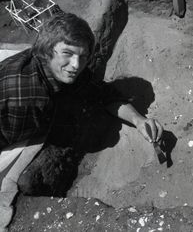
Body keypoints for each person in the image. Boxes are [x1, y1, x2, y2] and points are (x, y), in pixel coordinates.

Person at [0, 13, 163, 229]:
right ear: (47, 51)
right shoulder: (30, 101)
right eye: (67, 54)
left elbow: (101, 93)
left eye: (83, 57)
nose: (75, 65)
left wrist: (139, 120)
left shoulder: (57, 69)